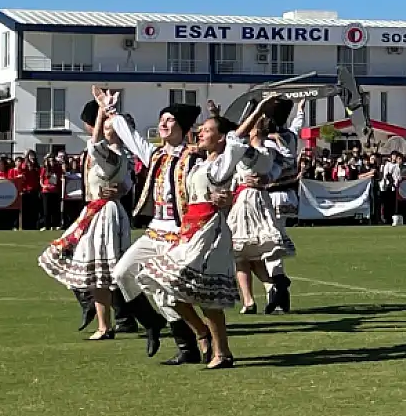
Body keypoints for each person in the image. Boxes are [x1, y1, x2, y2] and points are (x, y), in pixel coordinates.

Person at [133, 108, 265, 370]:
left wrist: (256, 110)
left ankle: (222, 351)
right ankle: (203, 334)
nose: (201, 133)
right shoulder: (199, 161)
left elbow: (236, 142)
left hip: (211, 232)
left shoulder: (223, 162)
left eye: (207, 130)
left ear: (220, 138)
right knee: (168, 287)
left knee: (207, 297)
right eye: (201, 129)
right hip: (191, 230)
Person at [103, 90, 207, 363]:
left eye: (170, 119)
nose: (163, 123)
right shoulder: (157, 155)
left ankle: (188, 347)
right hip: (154, 231)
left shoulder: (194, 159)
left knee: (165, 292)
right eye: (162, 118)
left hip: (179, 234)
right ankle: (151, 323)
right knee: (122, 273)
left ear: (182, 127)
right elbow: (132, 138)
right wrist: (113, 113)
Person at [39, 101, 134, 340]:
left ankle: (111, 320)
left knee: (101, 270)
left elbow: (96, 147)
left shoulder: (111, 154)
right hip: (97, 210)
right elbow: (126, 182)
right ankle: (103, 316)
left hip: (103, 214)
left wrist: (102, 113)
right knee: (96, 269)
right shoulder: (118, 156)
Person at [228, 97, 295, 315]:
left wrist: (256, 112)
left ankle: (265, 290)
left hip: (246, 201)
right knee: (264, 245)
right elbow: (283, 163)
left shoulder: (252, 152)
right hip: (260, 197)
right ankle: (275, 283)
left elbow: (233, 138)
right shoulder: (271, 152)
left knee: (244, 250)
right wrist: (267, 179)